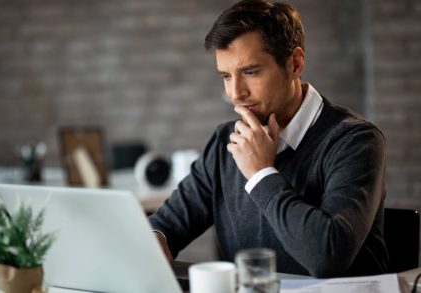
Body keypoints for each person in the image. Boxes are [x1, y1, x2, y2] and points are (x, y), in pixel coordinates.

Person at [148, 0, 387, 277]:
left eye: (250, 72)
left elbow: (327, 256)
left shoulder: (355, 140)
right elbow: (167, 223)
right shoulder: (225, 140)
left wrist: (260, 173)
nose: (235, 93)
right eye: (226, 76)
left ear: (295, 64)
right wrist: (156, 238)